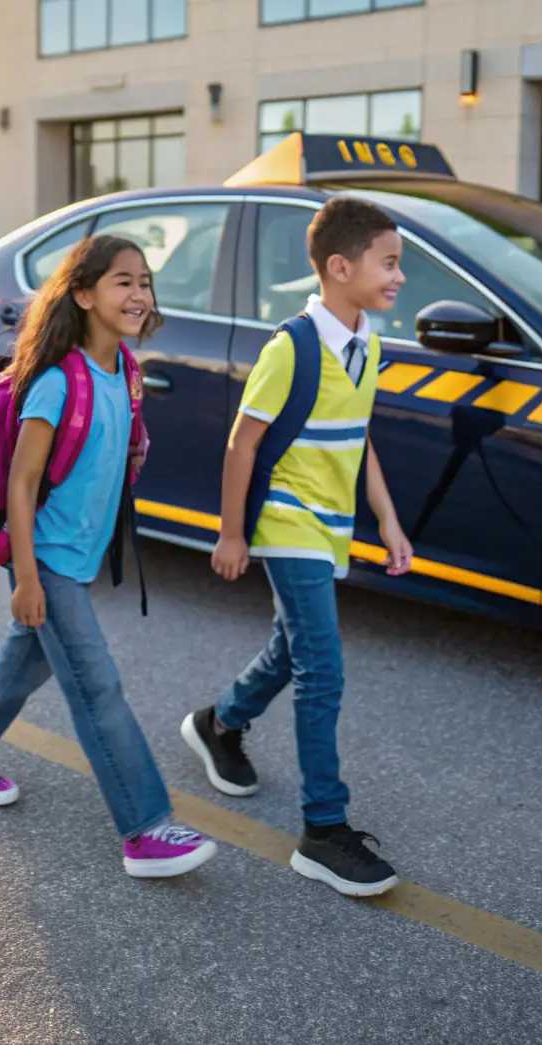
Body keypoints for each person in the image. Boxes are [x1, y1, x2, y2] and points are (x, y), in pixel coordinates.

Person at [0, 235, 217, 878]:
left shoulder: (125, 373)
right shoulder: (58, 383)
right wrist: (26, 578)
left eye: (144, 281)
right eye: (123, 281)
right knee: (96, 683)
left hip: (79, 553)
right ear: (83, 294)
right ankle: (145, 828)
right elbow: (21, 484)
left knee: (27, 660)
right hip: (48, 556)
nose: (139, 293)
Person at [181, 197, 412, 897]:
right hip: (286, 521)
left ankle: (218, 721)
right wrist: (230, 532)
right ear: (340, 267)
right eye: (390, 261)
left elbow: (359, 440)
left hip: (330, 525)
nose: (400, 275)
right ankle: (323, 828)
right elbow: (243, 442)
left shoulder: (368, 344)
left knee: (293, 644)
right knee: (322, 665)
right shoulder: (292, 347)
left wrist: (388, 521)